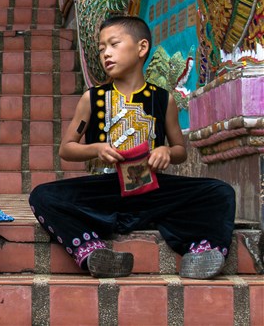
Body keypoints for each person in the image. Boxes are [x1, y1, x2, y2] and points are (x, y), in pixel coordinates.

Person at [28, 16, 236, 279]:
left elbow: (179, 150)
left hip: (153, 189)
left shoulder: (163, 100)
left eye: (113, 44)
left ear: (141, 48)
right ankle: (93, 253)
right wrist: (96, 149)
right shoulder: (92, 99)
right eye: (102, 48)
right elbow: (67, 149)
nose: (106, 53)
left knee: (220, 192)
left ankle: (203, 252)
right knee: (42, 196)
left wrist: (166, 152)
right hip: (107, 189)